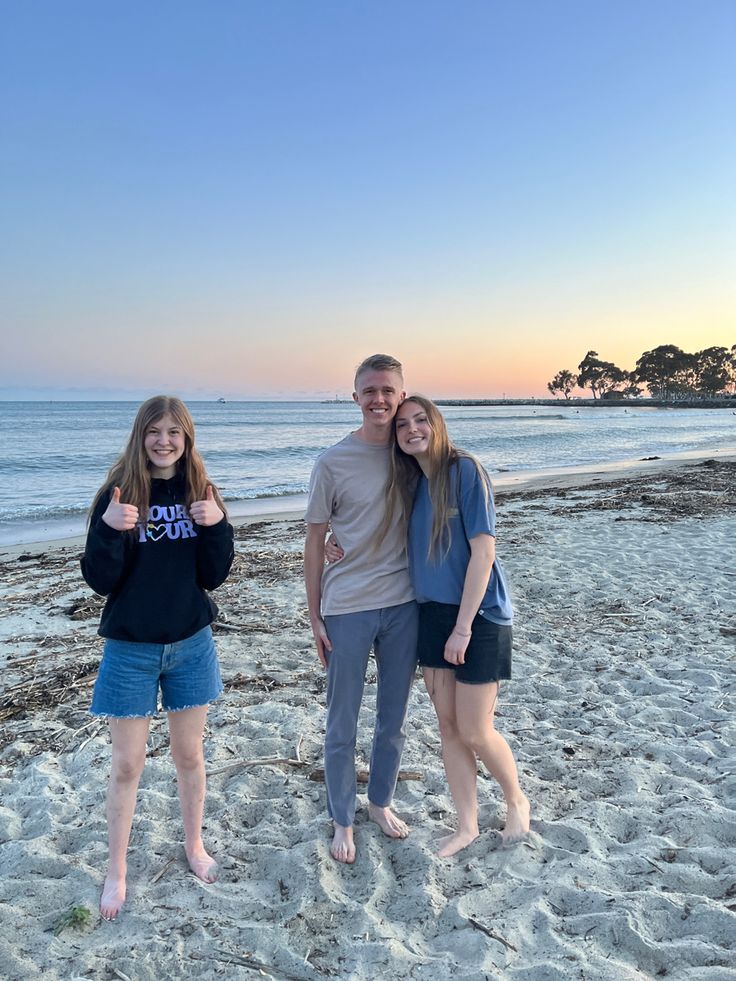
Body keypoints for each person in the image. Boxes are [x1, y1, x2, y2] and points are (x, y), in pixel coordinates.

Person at [81, 395, 234, 920]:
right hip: (130, 649)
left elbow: (214, 574)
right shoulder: (119, 492)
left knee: (190, 756)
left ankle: (194, 846)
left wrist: (216, 524)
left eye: (174, 431)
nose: (164, 440)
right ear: (140, 436)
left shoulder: (200, 492)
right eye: (154, 431)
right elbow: (100, 581)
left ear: (187, 437)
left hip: (191, 644)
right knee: (127, 765)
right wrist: (108, 528)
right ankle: (116, 871)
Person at [387, 395, 530, 856]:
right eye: (402, 424)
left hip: (480, 614)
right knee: (448, 729)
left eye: (420, 420)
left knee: (475, 729)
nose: (412, 429)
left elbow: (483, 553)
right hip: (431, 614)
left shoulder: (464, 470)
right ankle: (466, 824)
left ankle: (515, 800)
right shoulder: (412, 484)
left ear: (436, 423)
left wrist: (464, 627)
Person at [304, 354, 418, 864]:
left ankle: (379, 802)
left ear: (401, 394)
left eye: (387, 391)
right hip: (347, 606)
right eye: (369, 391)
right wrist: (315, 616)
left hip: (404, 605)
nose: (379, 400)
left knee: (392, 717)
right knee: (341, 720)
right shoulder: (332, 462)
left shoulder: (413, 454)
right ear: (356, 397)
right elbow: (313, 540)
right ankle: (342, 817)